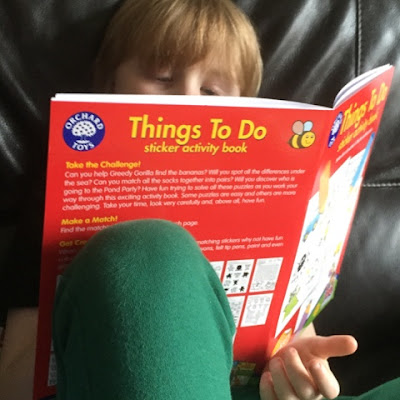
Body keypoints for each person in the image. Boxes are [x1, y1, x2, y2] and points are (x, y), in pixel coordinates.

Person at [0, 0, 360, 399]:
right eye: (163, 77)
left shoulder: (277, 190)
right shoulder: (60, 186)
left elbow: (296, 342)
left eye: (211, 90)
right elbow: (12, 382)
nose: (190, 98)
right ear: (110, 84)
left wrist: (299, 374)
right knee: (150, 250)